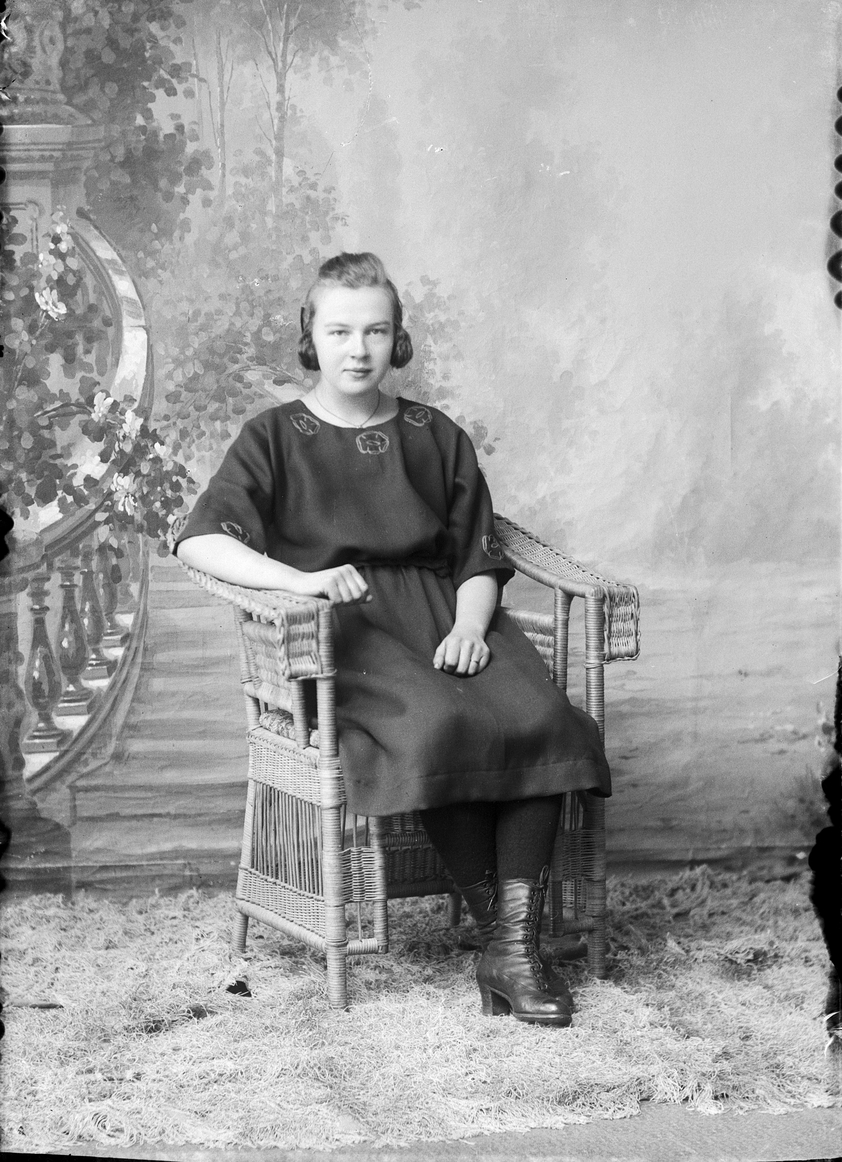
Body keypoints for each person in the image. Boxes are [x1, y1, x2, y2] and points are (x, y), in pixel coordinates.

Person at [174, 252, 611, 1027]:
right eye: (340, 330)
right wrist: (299, 581)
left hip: (447, 614)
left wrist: (471, 627)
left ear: (398, 338)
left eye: (376, 331)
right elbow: (200, 539)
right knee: (437, 725)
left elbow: (480, 555)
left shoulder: (433, 434)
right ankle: (510, 949)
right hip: (344, 632)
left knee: (542, 717)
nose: (358, 349)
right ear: (310, 336)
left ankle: (511, 950)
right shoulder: (273, 436)